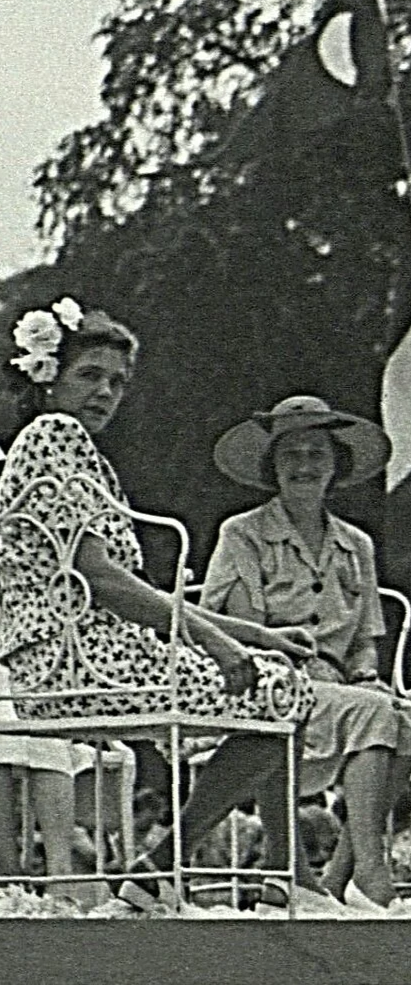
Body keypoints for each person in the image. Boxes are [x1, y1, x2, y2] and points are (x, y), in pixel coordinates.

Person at [0, 298, 315, 915]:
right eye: (89, 376)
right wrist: (220, 644)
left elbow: (131, 588)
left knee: (284, 684)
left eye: (117, 382)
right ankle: (175, 867)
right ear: (48, 377)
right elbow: (101, 578)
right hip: (75, 659)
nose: (105, 392)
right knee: (285, 699)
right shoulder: (53, 438)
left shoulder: (76, 452)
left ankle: (280, 873)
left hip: (93, 649)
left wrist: (255, 634)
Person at [204, 393, 411, 908]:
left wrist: (364, 673)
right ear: (272, 468)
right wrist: (290, 659)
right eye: (291, 456)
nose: (304, 466)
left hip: (340, 685)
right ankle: (372, 871)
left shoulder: (356, 543)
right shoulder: (243, 533)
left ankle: (337, 879)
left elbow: (365, 638)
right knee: (376, 714)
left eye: (317, 454)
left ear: (336, 465)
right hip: (271, 680)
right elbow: (235, 628)